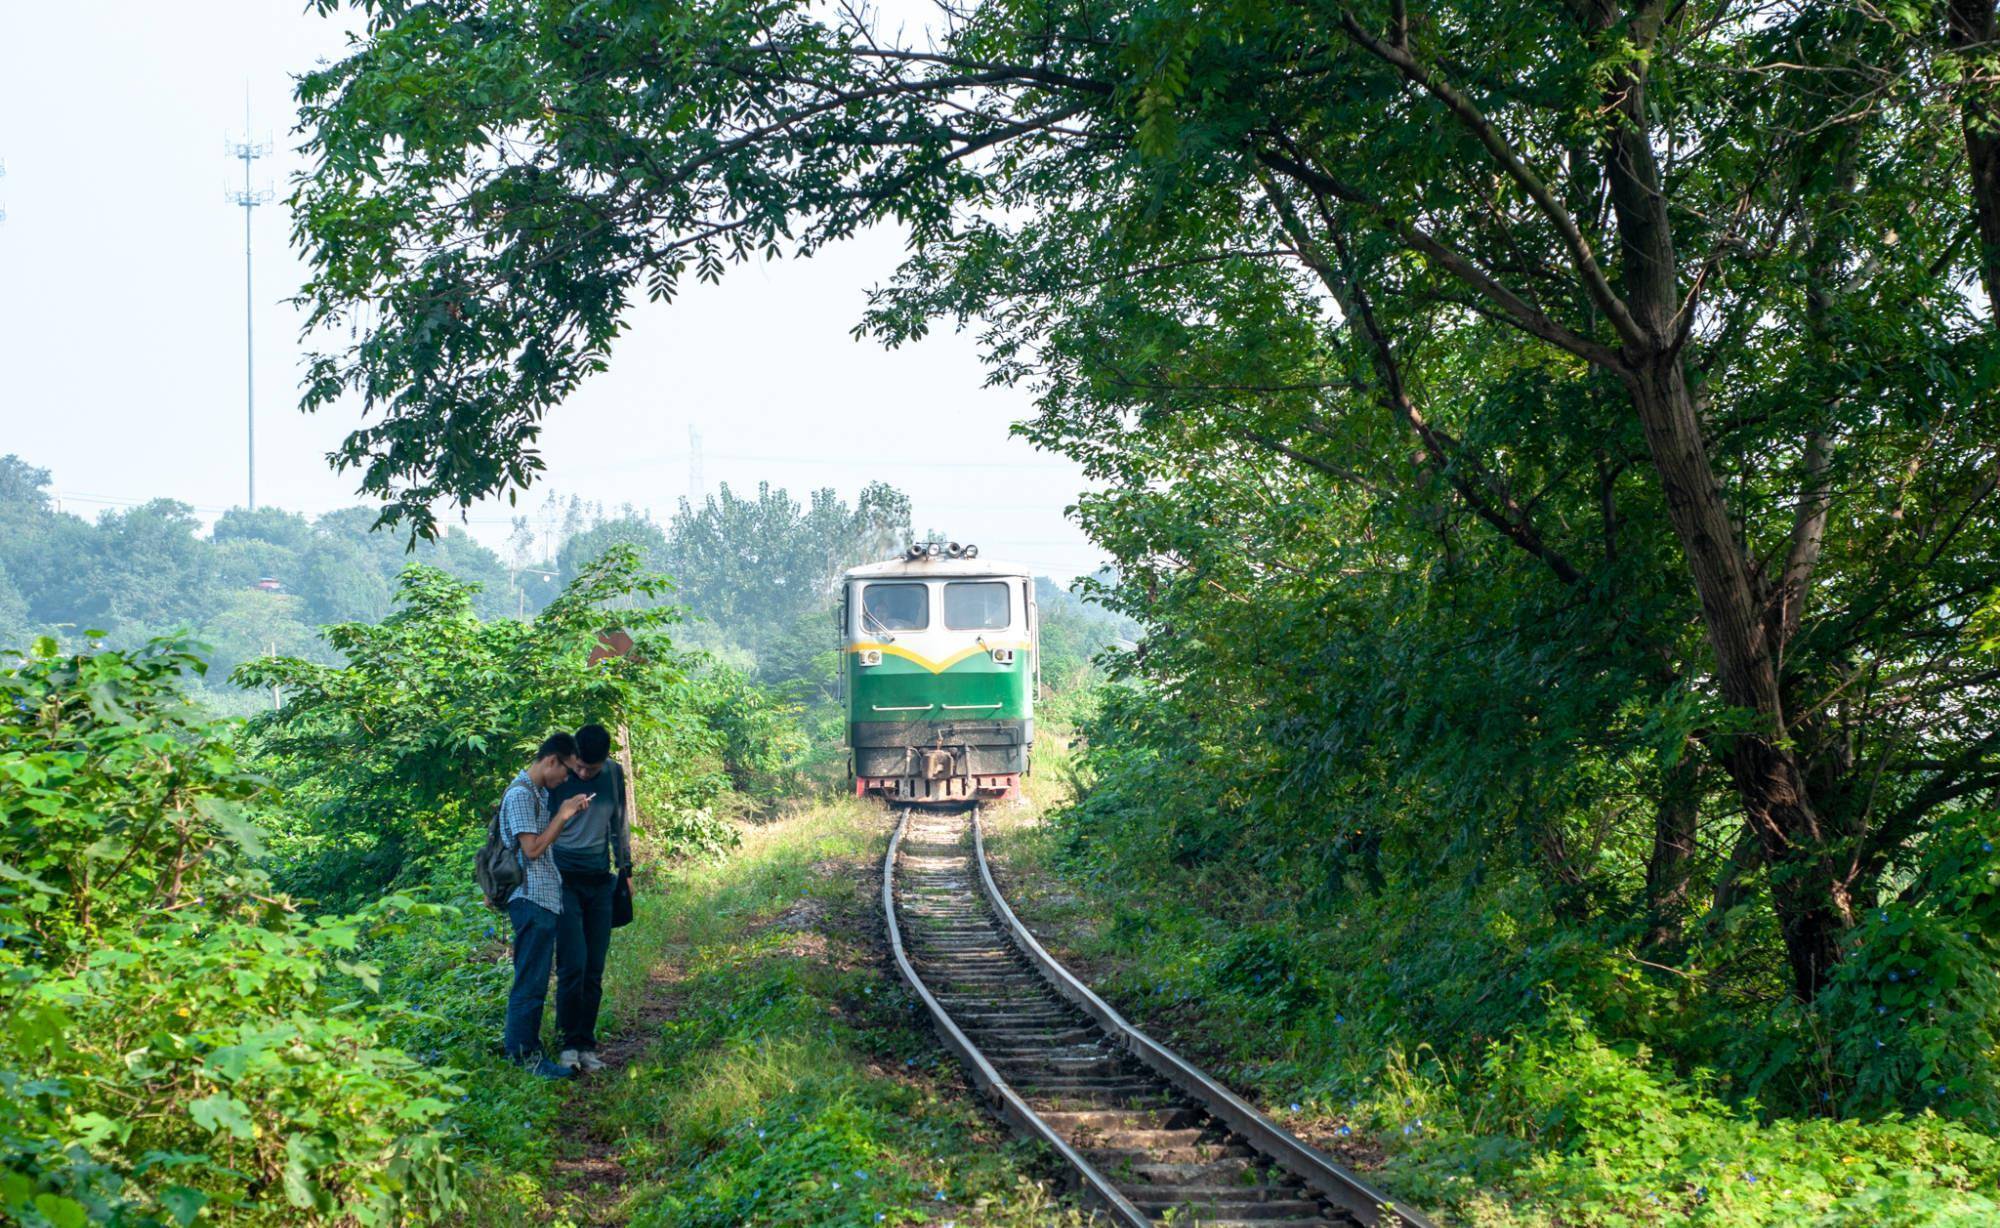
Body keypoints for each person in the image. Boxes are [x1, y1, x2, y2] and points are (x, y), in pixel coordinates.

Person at [500, 732, 594, 1079]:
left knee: (536, 980)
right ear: (551, 761)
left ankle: (525, 1050)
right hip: (530, 898)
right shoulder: (522, 795)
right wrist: (564, 815)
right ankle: (525, 1057)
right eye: (567, 771)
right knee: (531, 981)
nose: (566, 779)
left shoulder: (538, 792)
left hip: (543, 899)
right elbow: (532, 850)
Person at [546, 722, 634, 1073]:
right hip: (563, 879)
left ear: (605, 761)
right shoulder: (560, 776)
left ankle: (586, 1044)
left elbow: (620, 823)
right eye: (580, 766)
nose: (583, 773)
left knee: (594, 968)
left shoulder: (612, 774)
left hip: (600, 881)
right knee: (573, 964)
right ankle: (567, 1044)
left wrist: (625, 870)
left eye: (590, 769)